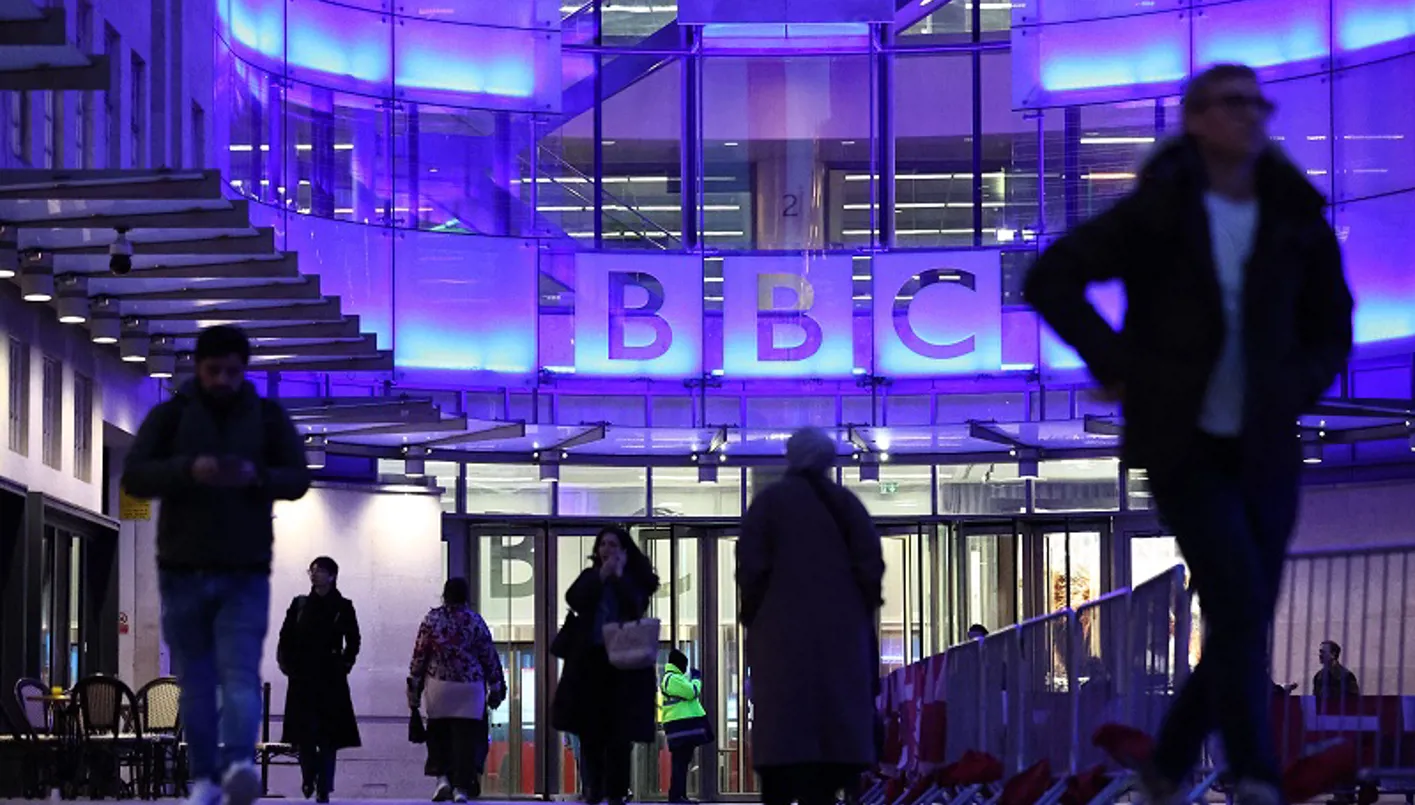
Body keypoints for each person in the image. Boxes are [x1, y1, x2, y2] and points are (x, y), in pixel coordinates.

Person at [1024, 63, 1353, 805]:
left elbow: (1333, 321)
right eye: (1233, 103)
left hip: (1264, 442)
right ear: (1196, 119)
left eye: (1258, 105)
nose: (1251, 116)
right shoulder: (1161, 208)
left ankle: (1167, 764)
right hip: (1183, 443)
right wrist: (1116, 364)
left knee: (1244, 612)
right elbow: (1051, 277)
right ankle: (1256, 775)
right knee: (1237, 598)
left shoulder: (1293, 213)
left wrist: (1295, 385)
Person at [122, 325, 311, 805]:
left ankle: (237, 766)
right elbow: (135, 476)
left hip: (243, 570)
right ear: (198, 367)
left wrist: (255, 476)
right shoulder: (171, 416)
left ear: (244, 370)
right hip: (183, 569)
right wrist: (188, 470)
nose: (224, 379)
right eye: (214, 370)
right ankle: (208, 777)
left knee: (236, 674)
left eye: (232, 371)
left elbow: (297, 477)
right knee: (200, 681)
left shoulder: (266, 418)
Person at [738, 427, 885, 805]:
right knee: (825, 772)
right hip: (840, 649)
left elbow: (750, 571)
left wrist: (755, 618)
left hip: (779, 646)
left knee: (781, 759)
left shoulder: (768, 505)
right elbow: (870, 571)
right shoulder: (846, 506)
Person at [551, 526, 661, 805]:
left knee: (620, 734)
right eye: (603, 545)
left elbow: (636, 607)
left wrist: (620, 577)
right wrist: (601, 576)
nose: (607, 550)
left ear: (624, 550)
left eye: (613, 545)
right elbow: (574, 598)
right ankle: (593, 787)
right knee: (590, 731)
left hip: (624, 666)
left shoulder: (635, 580)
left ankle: (616, 791)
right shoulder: (591, 576)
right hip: (590, 664)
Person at [408, 577, 507, 803]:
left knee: (438, 732)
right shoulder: (475, 621)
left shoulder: (432, 620)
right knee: (466, 738)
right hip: (470, 687)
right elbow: (489, 656)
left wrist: (414, 688)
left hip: (439, 685)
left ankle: (442, 778)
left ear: (444, 595)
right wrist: (496, 686)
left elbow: (419, 656)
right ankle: (461, 788)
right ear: (466, 596)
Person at [277, 556, 362, 802]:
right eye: (312, 571)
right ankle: (308, 776)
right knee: (304, 734)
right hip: (302, 677)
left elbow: (354, 639)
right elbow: (286, 636)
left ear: (332, 576)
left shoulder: (343, 606)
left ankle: (323, 786)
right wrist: (288, 664)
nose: (314, 575)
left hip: (331, 678)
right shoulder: (300, 604)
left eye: (320, 571)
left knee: (328, 736)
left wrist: (345, 664)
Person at [660, 649, 711, 804]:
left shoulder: (675, 678)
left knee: (682, 761)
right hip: (680, 727)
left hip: (682, 727)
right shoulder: (672, 678)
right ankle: (676, 796)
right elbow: (691, 692)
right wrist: (696, 680)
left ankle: (680, 795)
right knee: (680, 762)